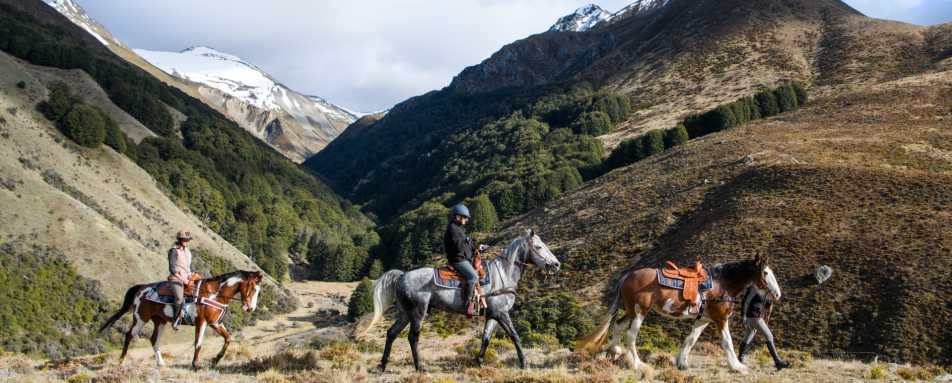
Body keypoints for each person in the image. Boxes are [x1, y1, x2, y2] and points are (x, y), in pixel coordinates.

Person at [738, 285, 790, 370]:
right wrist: (743, 316)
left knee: (748, 337)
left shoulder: (765, 292)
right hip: (754, 317)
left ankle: (740, 359)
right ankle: (778, 362)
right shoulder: (754, 288)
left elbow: (768, 306)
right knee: (769, 336)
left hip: (754, 317)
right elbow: (745, 301)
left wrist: (772, 298)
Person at [443, 204, 478, 315]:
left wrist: (476, 246)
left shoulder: (457, 229)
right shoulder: (453, 229)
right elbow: (460, 247)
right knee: (473, 277)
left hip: (460, 259)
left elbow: (464, 244)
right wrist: (469, 243)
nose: (467, 220)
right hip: (458, 261)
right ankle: (466, 304)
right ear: (458, 217)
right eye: (465, 217)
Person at [168, 230, 194, 330]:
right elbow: (173, 268)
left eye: (188, 240)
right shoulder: (174, 251)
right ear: (180, 240)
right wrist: (184, 280)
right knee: (179, 297)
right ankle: (175, 320)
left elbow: (187, 267)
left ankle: (188, 316)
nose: (187, 242)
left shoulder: (188, 252)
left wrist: (191, 276)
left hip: (187, 278)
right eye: (185, 240)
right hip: (176, 279)